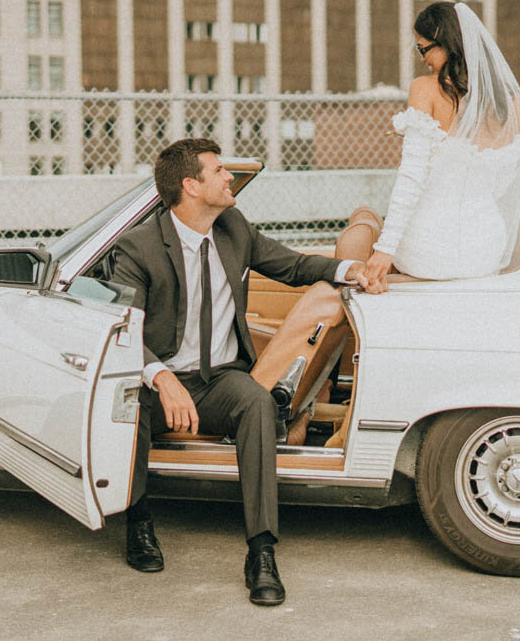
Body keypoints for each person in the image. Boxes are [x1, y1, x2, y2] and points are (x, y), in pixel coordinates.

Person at [109, 138, 368, 607]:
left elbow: (290, 265)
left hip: (218, 381)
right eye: (219, 170)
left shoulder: (232, 227)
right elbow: (125, 329)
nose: (230, 177)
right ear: (190, 186)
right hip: (159, 380)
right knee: (126, 404)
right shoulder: (139, 246)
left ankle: (262, 552)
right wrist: (162, 379)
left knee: (255, 401)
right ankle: (138, 521)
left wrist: (350, 268)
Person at [345, 1, 520, 292]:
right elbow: (505, 184)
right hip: (486, 249)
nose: (422, 59)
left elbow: (411, 178)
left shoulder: (425, 89)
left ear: (447, 43)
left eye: (423, 48)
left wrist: (385, 249)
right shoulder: (510, 102)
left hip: (430, 250)